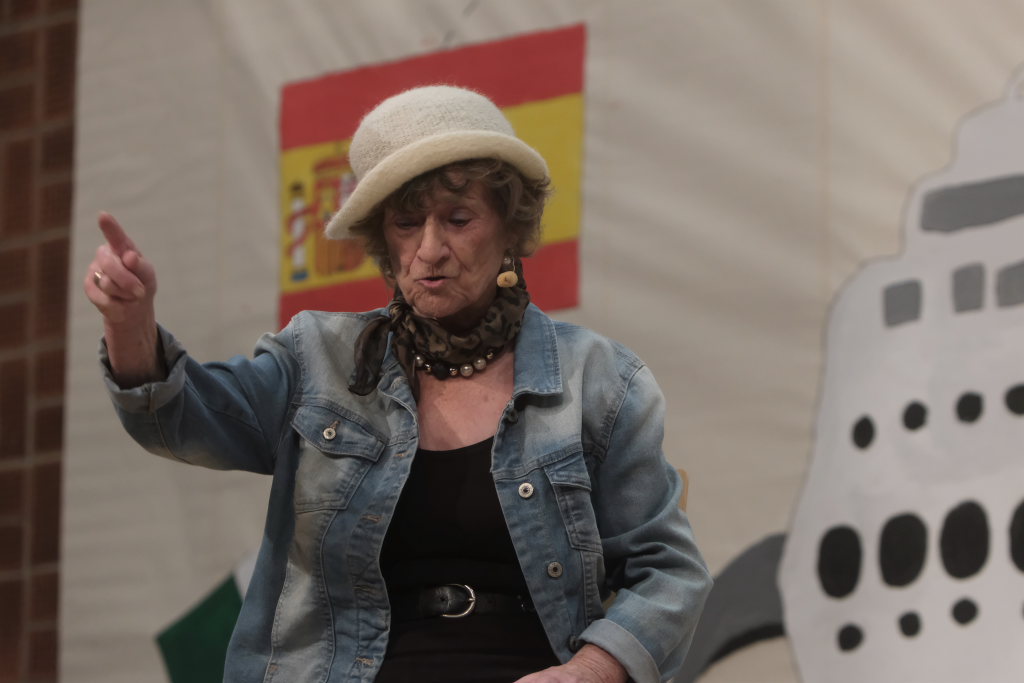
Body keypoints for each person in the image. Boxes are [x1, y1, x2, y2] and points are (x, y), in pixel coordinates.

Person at [85, 85, 711, 683]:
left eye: (458, 219)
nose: (430, 249)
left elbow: (668, 572)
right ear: (383, 240)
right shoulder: (316, 358)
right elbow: (182, 420)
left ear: (509, 228)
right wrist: (130, 325)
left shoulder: (599, 378)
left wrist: (592, 671)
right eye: (407, 224)